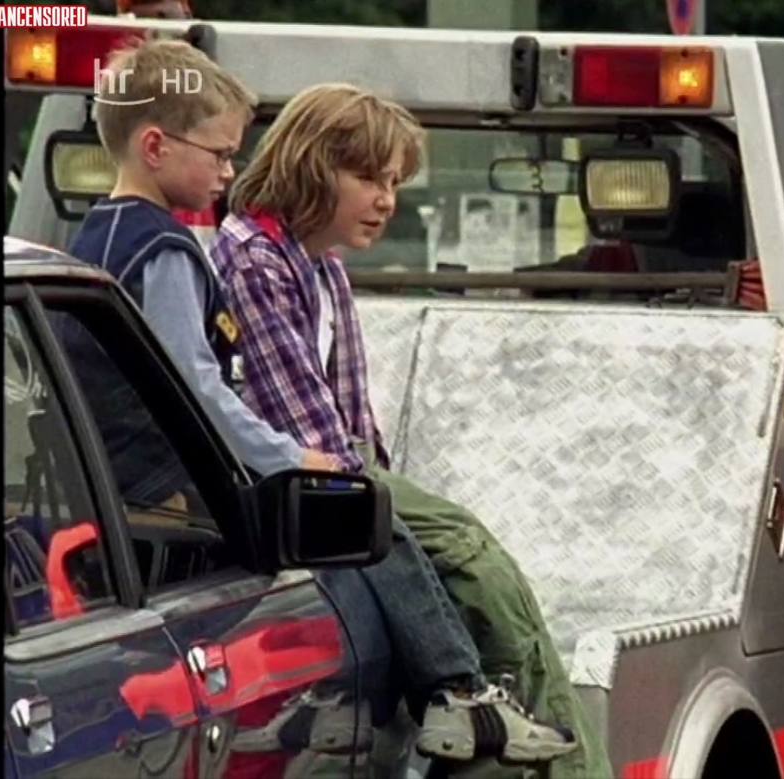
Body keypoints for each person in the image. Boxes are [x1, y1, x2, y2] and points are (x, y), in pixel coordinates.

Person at [63, 38, 578, 768]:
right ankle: (456, 689)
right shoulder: (169, 251)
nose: (229, 171)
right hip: (170, 486)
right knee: (366, 515)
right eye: (219, 154)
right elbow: (197, 390)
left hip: (125, 482)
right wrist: (293, 458)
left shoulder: (94, 234)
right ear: (155, 146)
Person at [207, 82, 611, 779]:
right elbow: (309, 431)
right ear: (311, 166)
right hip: (305, 483)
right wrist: (383, 505)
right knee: (472, 556)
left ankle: (500, 723)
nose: (387, 199)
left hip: (344, 469)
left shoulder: (324, 267)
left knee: (480, 575)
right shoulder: (254, 260)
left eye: (394, 182)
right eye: (369, 178)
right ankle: (506, 722)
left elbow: (354, 413)